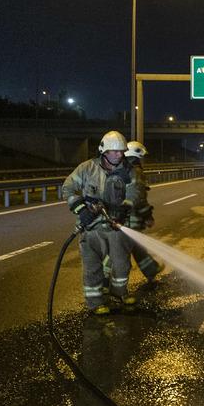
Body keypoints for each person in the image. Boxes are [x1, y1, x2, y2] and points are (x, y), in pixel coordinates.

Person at [61, 130, 139, 315]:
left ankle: (119, 292)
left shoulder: (128, 171)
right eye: (115, 151)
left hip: (116, 228)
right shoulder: (87, 168)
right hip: (91, 229)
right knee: (92, 267)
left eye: (121, 151)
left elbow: (133, 192)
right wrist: (81, 209)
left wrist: (124, 207)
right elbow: (68, 187)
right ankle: (95, 303)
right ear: (104, 151)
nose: (119, 154)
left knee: (121, 265)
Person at [119, 140, 163, 282]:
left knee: (135, 246)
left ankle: (151, 269)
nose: (142, 161)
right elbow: (139, 199)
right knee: (119, 251)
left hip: (120, 218)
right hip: (131, 220)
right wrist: (148, 216)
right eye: (140, 157)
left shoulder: (120, 170)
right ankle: (106, 284)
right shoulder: (136, 173)